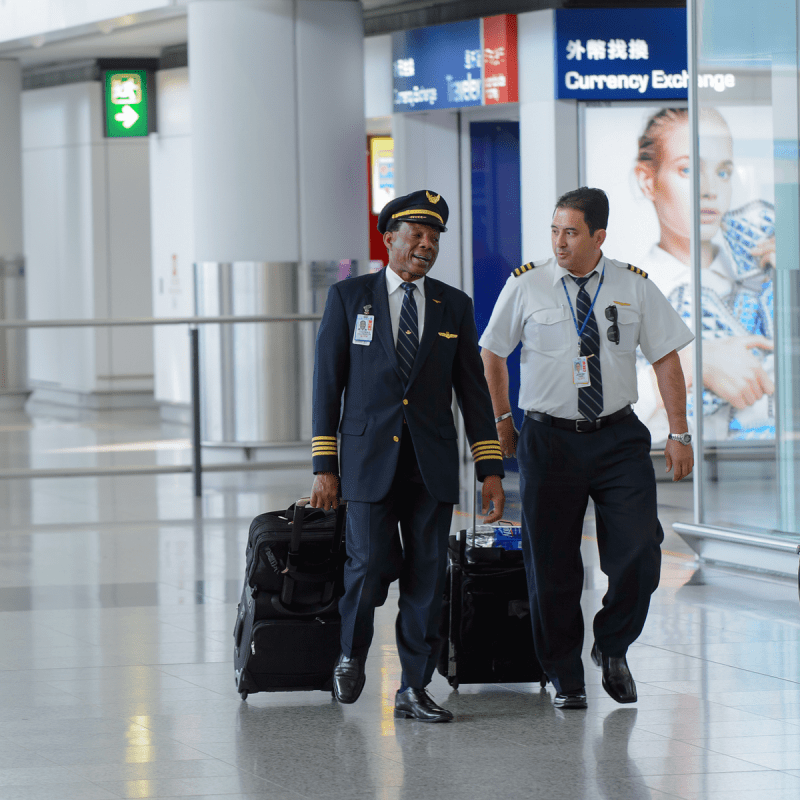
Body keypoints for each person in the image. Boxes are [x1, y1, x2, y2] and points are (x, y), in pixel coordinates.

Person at [480, 187, 694, 710]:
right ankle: (563, 674)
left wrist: (679, 430)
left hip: (618, 438)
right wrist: (504, 420)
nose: (559, 242)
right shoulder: (526, 285)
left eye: (571, 232)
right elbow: (490, 353)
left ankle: (613, 645)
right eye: (554, 231)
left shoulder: (633, 285)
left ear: (599, 236)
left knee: (640, 553)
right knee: (551, 565)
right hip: (549, 439)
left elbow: (666, 358)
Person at [310, 189, 505, 723]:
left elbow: (472, 391)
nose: (426, 245)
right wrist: (324, 466)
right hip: (366, 463)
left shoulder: (453, 305)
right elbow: (328, 386)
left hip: (431, 464)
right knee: (368, 565)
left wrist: (490, 468)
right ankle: (351, 653)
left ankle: (414, 688)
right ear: (389, 238)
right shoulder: (350, 299)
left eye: (434, 237)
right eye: (416, 235)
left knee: (427, 578)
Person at [633, 107, 775, 441]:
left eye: (723, 172)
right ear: (647, 180)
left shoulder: (768, 279)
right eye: (687, 170)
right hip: (659, 472)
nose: (710, 189)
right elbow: (587, 404)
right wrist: (694, 365)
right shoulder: (621, 289)